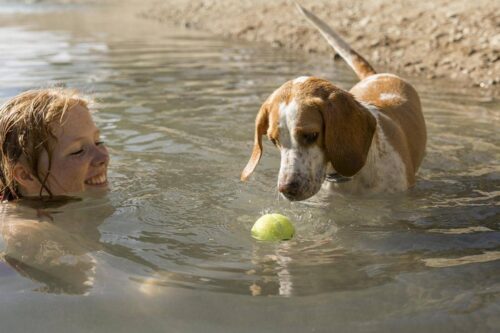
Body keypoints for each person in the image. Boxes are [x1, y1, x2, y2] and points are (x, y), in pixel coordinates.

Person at [0, 88, 110, 201]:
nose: (103, 157)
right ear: (26, 175)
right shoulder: (18, 218)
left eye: (98, 142)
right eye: (78, 151)